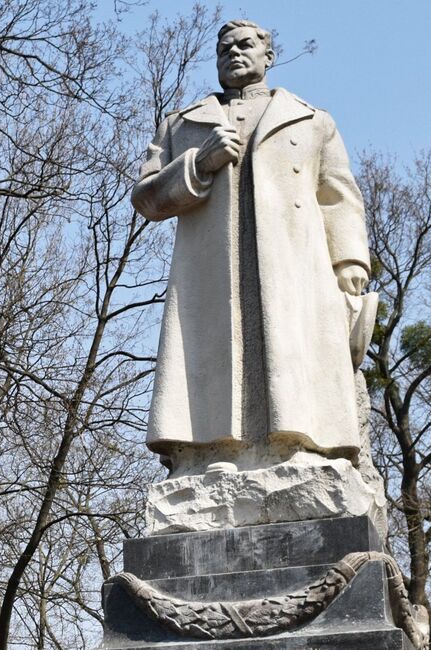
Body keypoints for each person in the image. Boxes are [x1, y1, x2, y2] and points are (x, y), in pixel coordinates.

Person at [130, 18, 370, 470]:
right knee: (213, 349)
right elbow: (146, 199)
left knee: (291, 345)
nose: (234, 54)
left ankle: (298, 445)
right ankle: (216, 450)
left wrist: (349, 260)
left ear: (268, 56)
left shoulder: (312, 120)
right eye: (224, 49)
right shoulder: (183, 125)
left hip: (291, 262)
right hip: (212, 266)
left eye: (244, 46)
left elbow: (339, 196)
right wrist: (199, 164)